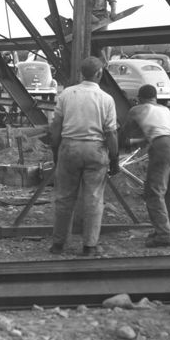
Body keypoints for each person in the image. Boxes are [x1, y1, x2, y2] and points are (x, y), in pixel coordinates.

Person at [48, 56, 119, 257]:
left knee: (64, 198)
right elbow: (111, 133)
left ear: (81, 73)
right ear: (99, 73)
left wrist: (56, 151)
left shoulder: (66, 94)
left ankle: (58, 245)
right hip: (96, 150)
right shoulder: (106, 99)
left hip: (69, 148)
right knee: (94, 199)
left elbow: (56, 127)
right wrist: (114, 159)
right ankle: (89, 246)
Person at [122, 84, 170, 247]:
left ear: (139, 98)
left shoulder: (137, 109)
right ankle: (168, 228)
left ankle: (163, 235)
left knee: (154, 191)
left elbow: (124, 134)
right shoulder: (165, 110)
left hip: (164, 146)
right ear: (155, 97)